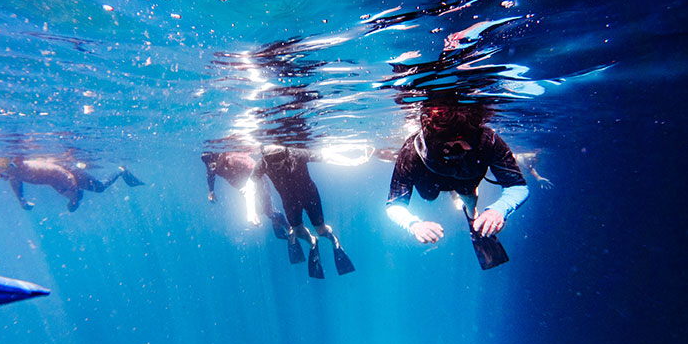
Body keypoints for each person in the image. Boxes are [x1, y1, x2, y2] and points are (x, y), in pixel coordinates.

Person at [385, 102, 529, 269]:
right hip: (431, 178)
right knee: (429, 196)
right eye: (447, 145)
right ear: (432, 142)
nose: (454, 151)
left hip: (466, 177)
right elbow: (394, 205)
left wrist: (499, 210)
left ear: (474, 136)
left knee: (467, 194)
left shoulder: (489, 141)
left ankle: (472, 214)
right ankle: (467, 204)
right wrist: (413, 224)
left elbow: (518, 186)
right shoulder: (412, 152)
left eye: (462, 142)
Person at [244, 144, 371, 278]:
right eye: (271, 159)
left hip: (310, 197)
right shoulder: (262, 164)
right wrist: (250, 210)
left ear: (286, 152)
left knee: (321, 231)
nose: (275, 162)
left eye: (279, 156)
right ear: (264, 157)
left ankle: (333, 240)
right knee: (298, 232)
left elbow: (325, 156)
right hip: (289, 201)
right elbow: (250, 184)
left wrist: (352, 162)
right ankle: (312, 240)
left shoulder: (297, 153)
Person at [0, 156, 144, 212]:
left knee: (100, 188)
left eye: (0, 173)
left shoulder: (25, 167)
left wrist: (73, 188)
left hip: (65, 171)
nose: (1, 177)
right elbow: (15, 182)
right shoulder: (13, 173)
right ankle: (79, 176)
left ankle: (121, 170)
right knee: (75, 201)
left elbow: (58, 171)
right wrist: (21, 200)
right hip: (55, 180)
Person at [200, 151, 290, 239]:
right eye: (206, 161)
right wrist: (211, 191)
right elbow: (210, 175)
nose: (211, 165)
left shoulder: (235, 160)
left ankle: (288, 227)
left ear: (221, 155)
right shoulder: (212, 164)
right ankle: (275, 219)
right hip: (245, 189)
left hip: (258, 182)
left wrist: (250, 187)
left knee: (267, 210)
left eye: (213, 160)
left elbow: (258, 171)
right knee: (260, 210)